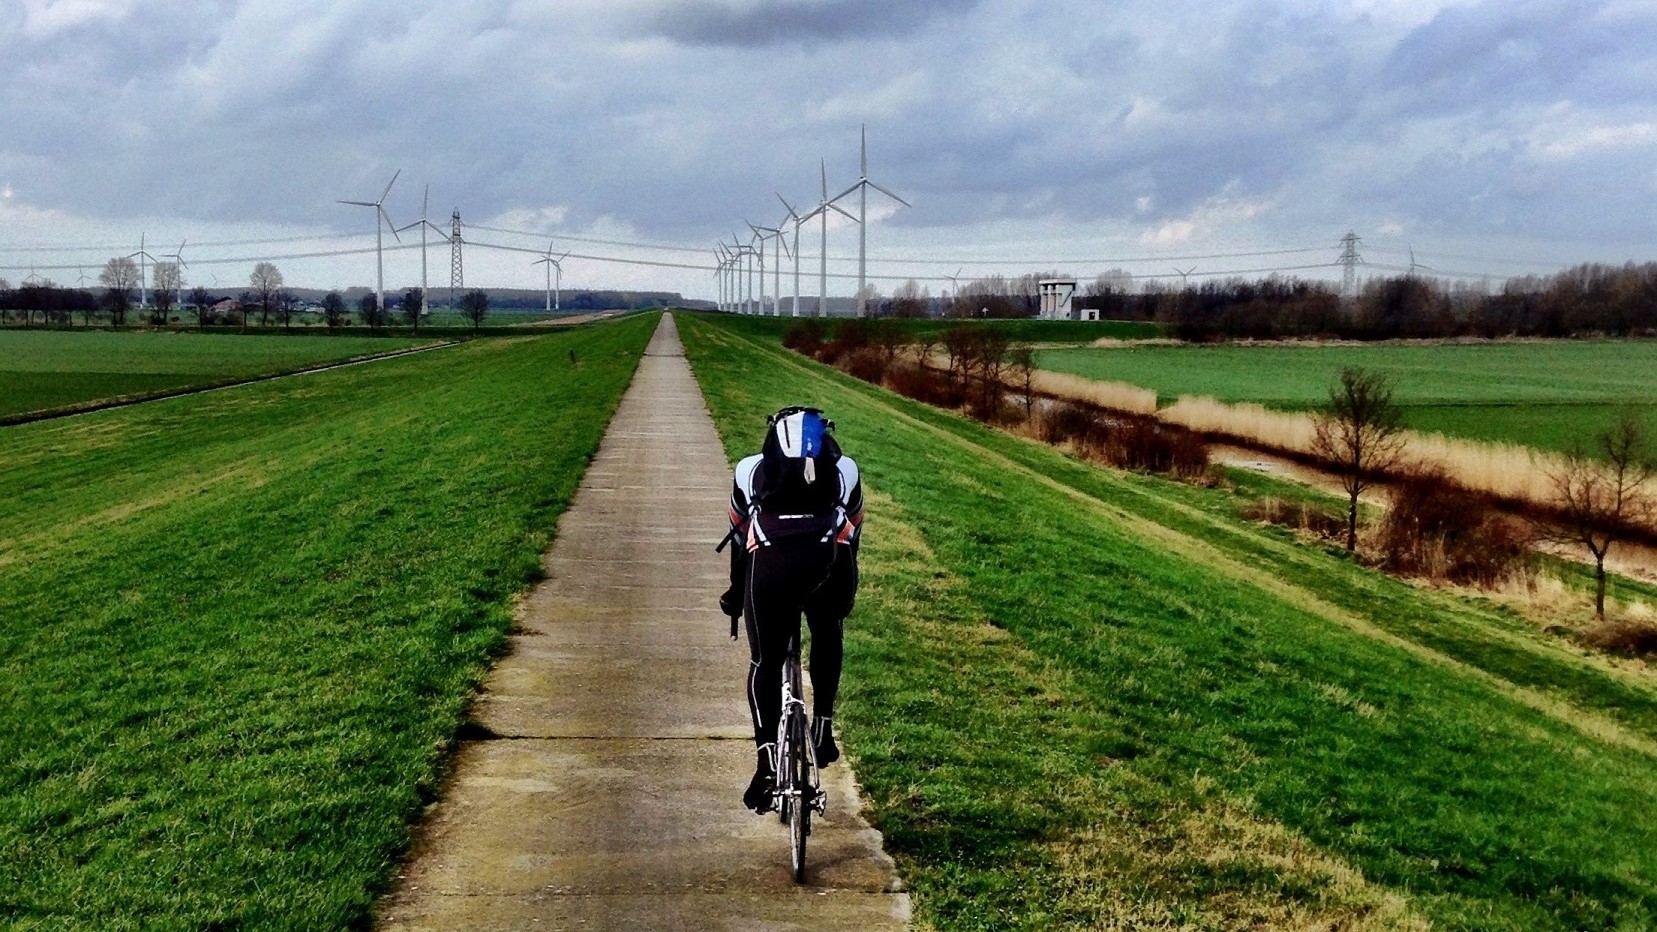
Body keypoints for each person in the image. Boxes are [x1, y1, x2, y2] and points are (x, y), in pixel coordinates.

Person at [719, 405, 863, 813]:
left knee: (765, 662)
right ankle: (824, 728)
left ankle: (766, 762)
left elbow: (738, 539)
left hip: (770, 569)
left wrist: (734, 595)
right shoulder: (846, 470)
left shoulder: (749, 470)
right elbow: (852, 536)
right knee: (828, 628)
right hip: (826, 565)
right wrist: (841, 597)